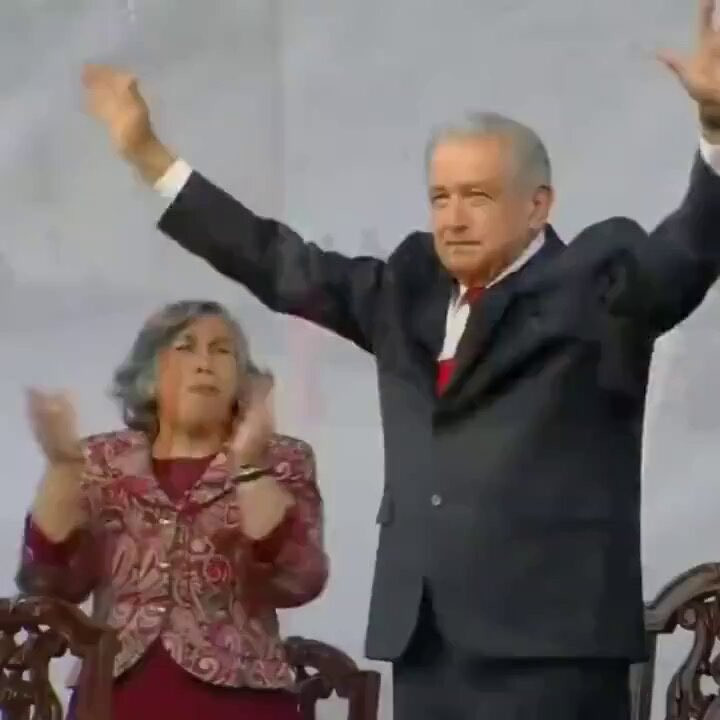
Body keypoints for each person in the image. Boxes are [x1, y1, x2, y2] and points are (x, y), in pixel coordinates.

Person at [80, 2, 720, 718]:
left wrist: (715, 131)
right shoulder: (406, 292)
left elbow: (685, 256)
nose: (453, 217)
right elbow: (277, 262)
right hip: (426, 642)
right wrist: (150, 157)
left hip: (550, 649)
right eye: (440, 198)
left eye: (477, 197)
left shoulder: (596, 283)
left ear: (538, 205)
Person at [17, 300, 328, 720]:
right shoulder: (100, 461)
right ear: (149, 373)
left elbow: (299, 578)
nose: (205, 364)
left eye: (222, 350)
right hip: (115, 698)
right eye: (185, 347)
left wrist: (250, 468)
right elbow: (49, 580)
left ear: (242, 380)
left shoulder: (283, 460)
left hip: (244, 701)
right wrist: (62, 468)